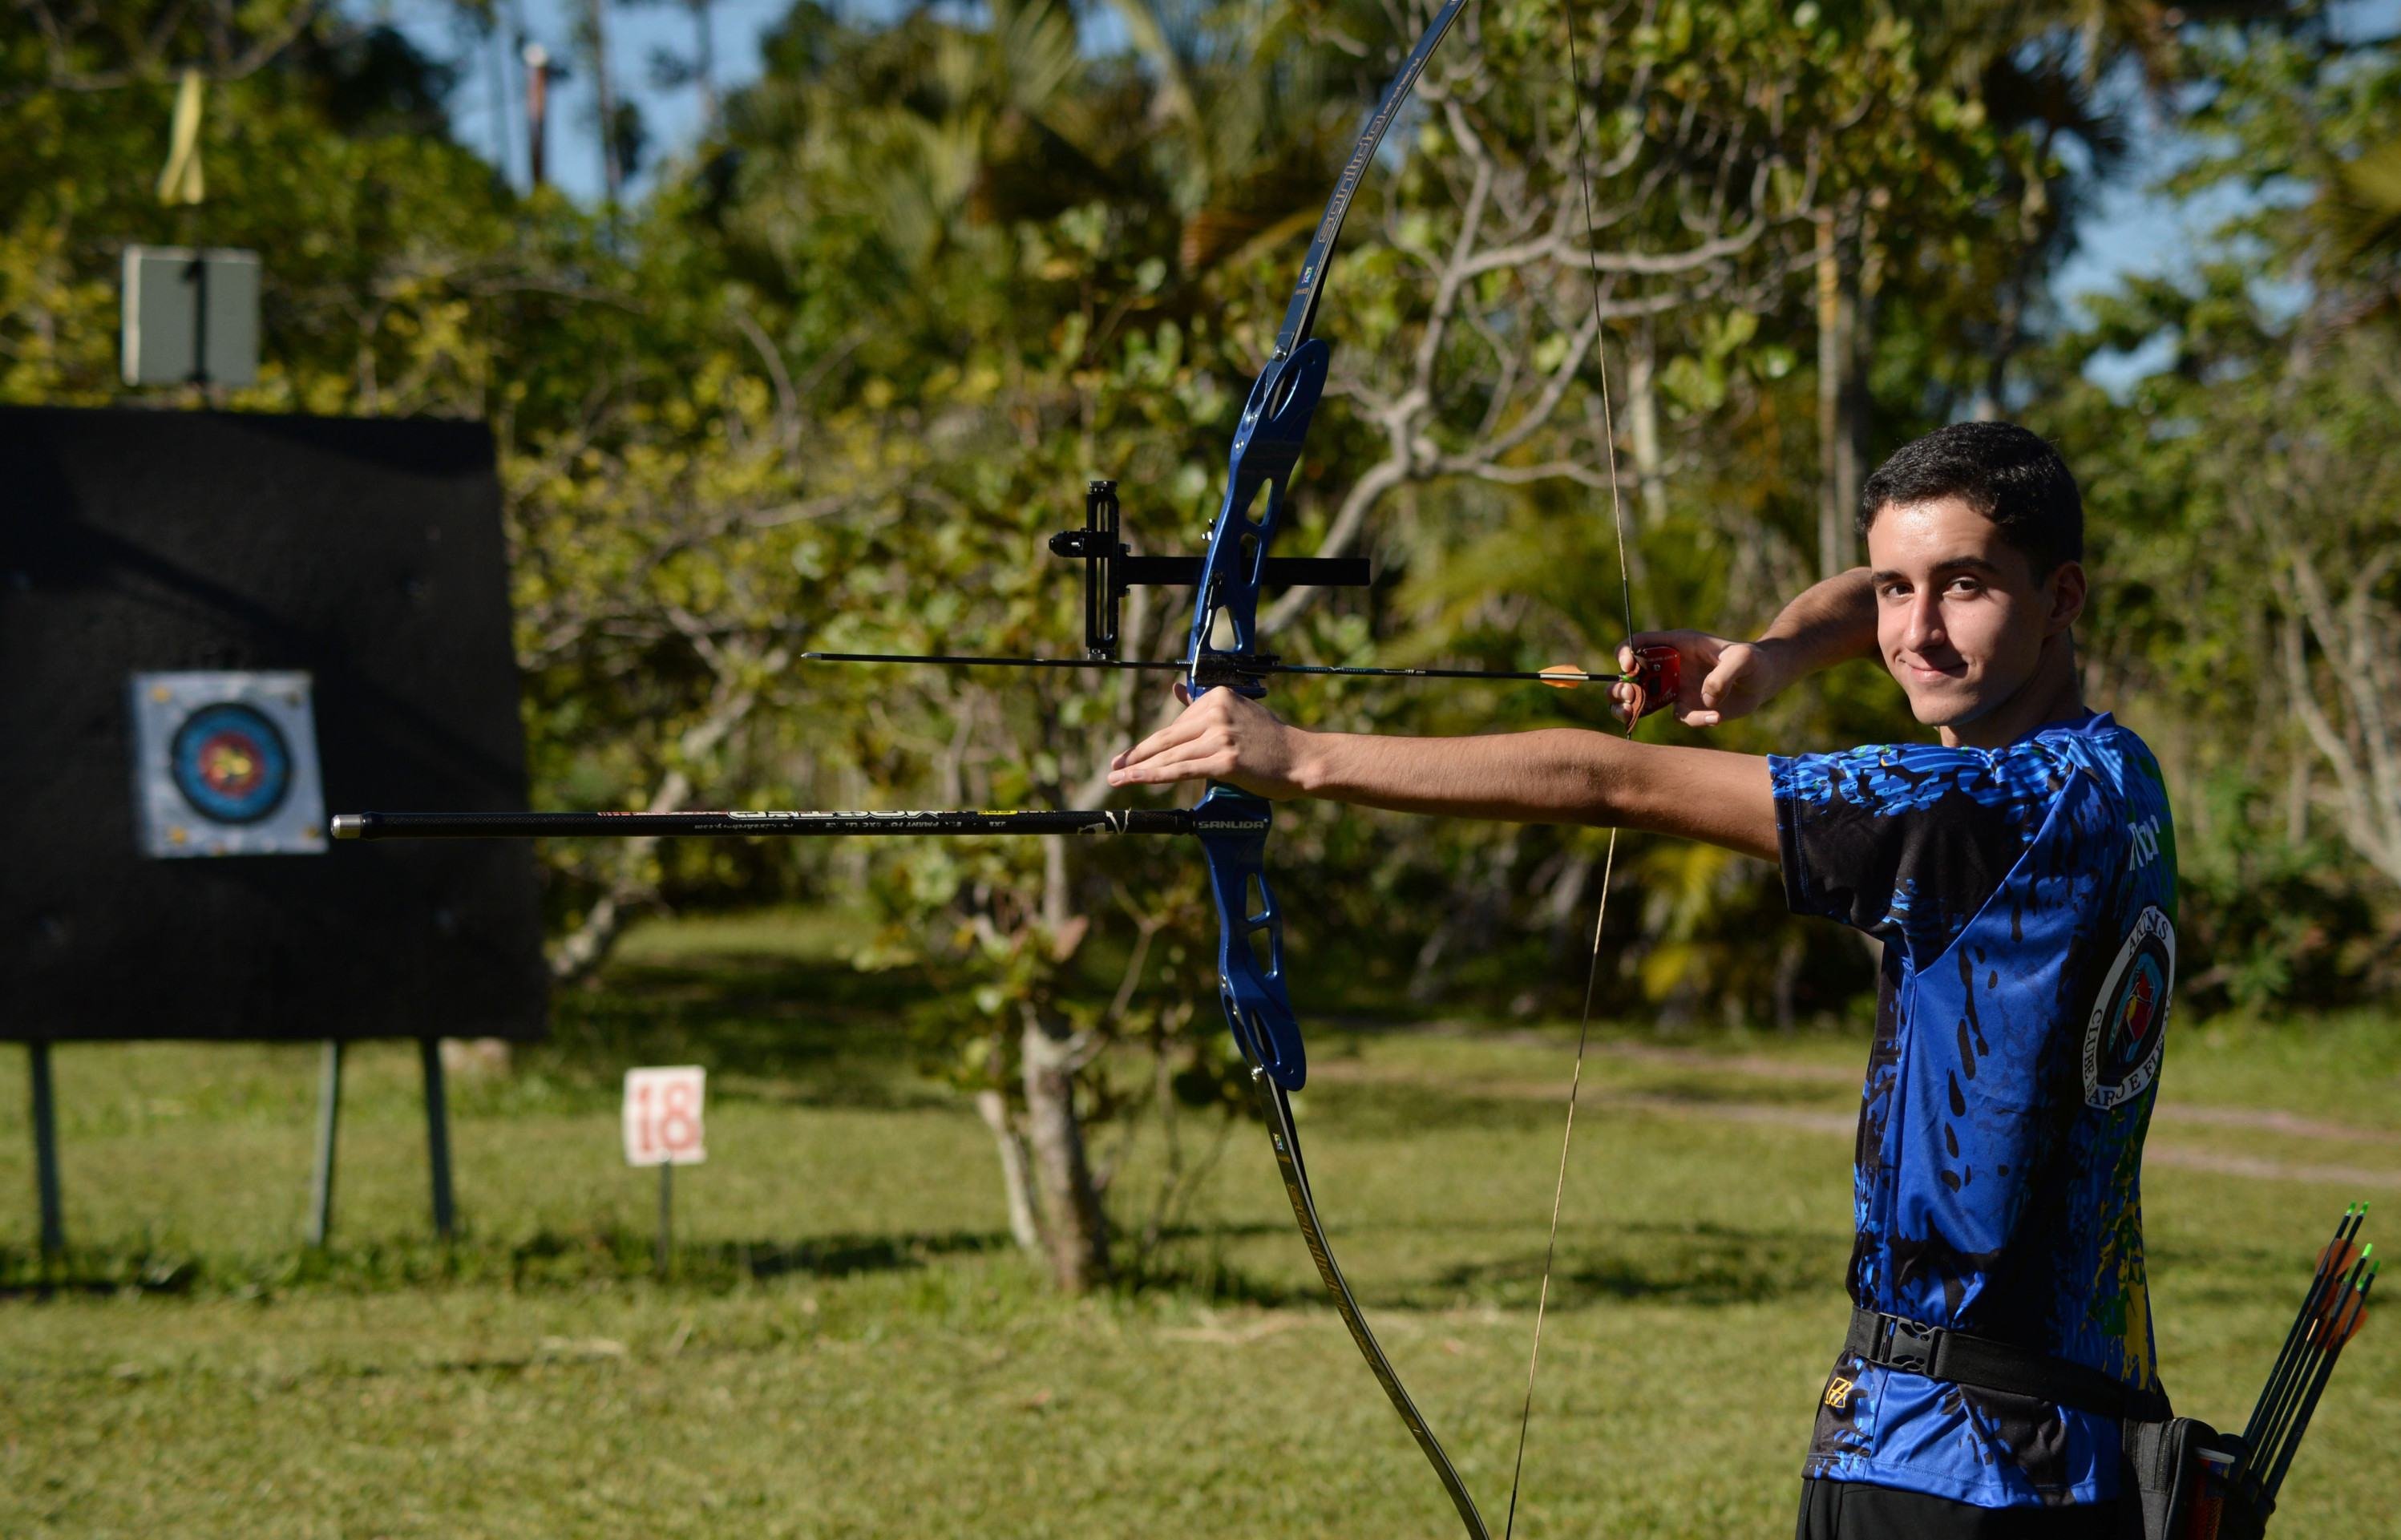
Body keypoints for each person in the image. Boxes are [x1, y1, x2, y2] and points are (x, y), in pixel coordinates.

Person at [1107, 421, 2174, 1538]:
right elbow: (1878, 601)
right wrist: (1770, 658)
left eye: (1963, 588)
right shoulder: (2120, 775)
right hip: (2094, 1439)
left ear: (2063, 597)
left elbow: (1605, 779)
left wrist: (1299, 755)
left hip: (1952, 1459)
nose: (1915, 628)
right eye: (1898, 585)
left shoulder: (1970, 813)